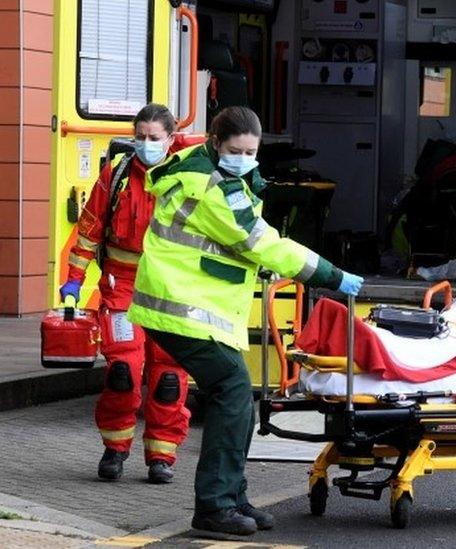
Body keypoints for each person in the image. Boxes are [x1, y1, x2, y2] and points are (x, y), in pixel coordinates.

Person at [127, 106, 364, 536]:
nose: (244, 157)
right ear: (216, 144)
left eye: (252, 151)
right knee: (233, 393)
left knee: (237, 402)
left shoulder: (214, 173)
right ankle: (215, 507)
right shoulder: (210, 186)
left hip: (192, 306)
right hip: (180, 307)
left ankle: (232, 498)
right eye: (236, 150)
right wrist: (331, 274)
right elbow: (262, 243)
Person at [60, 104, 203, 484]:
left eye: (154, 138)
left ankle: (162, 457)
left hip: (172, 289)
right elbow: (89, 230)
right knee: (122, 371)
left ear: (171, 140)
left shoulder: (189, 180)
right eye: (140, 136)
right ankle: (115, 449)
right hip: (121, 286)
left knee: (169, 377)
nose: (145, 144)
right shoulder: (117, 174)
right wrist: (73, 280)